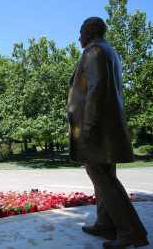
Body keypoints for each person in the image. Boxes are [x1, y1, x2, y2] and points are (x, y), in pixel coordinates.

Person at [67, 17, 149, 248]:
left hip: (98, 127)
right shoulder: (108, 50)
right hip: (107, 127)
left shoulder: (94, 50)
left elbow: (96, 87)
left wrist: (89, 124)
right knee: (102, 176)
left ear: (91, 32)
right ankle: (106, 225)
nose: (79, 37)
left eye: (81, 32)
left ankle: (132, 232)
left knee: (103, 177)